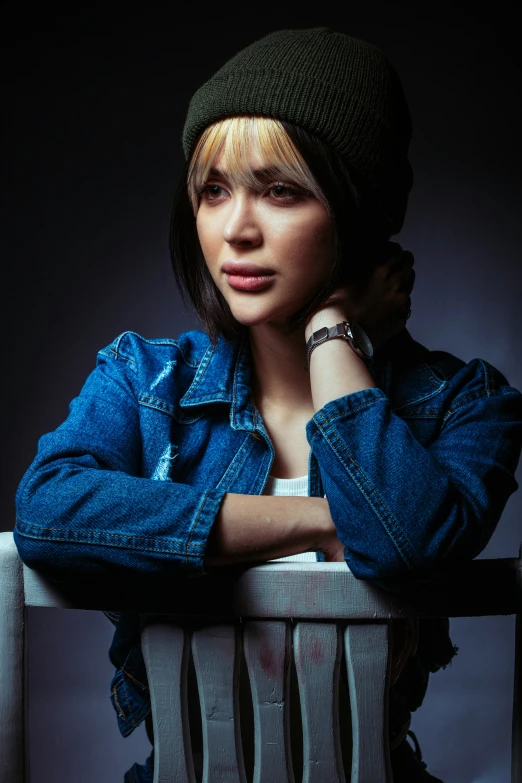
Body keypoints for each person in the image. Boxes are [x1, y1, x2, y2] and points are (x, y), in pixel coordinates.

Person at [14, 26, 522, 783]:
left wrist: (332, 334)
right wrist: (322, 517)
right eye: (213, 189)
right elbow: (46, 510)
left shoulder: (463, 405)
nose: (236, 229)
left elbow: (405, 543)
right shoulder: (147, 381)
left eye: (281, 190)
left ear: (358, 213)